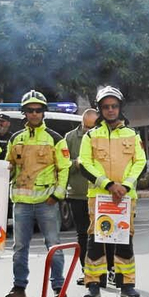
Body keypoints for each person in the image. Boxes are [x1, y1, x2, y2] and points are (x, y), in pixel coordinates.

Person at [79, 85, 147, 297]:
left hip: (125, 198)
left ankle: (126, 284)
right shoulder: (90, 136)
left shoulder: (132, 134)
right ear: (100, 109)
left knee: (124, 239)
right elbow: (84, 164)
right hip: (99, 197)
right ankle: (93, 284)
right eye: (106, 107)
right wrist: (108, 184)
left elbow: (141, 162)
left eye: (114, 106)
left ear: (120, 108)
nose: (110, 110)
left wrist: (125, 186)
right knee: (96, 240)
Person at [2, 89, 71, 297]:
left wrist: (57, 196)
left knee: (55, 246)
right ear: (24, 112)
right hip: (21, 203)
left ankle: (58, 287)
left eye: (38, 110)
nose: (34, 114)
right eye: (30, 110)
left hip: (46, 202)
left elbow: (64, 168)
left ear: (43, 112)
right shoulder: (15, 138)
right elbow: (9, 167)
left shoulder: (55, 138)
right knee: (19, 248)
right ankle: (19, 286)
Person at [62, 107, 104, 283]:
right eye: (87, 128)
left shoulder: (102, 136)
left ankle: (102, 272)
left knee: (102, 234)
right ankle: (87, 271)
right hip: (78, 194)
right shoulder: (70, 138)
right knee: (83, 235)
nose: (90, 132)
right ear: (82, 124)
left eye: (93, 127)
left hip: (100, 193)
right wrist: (77, 163)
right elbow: (63, 164)